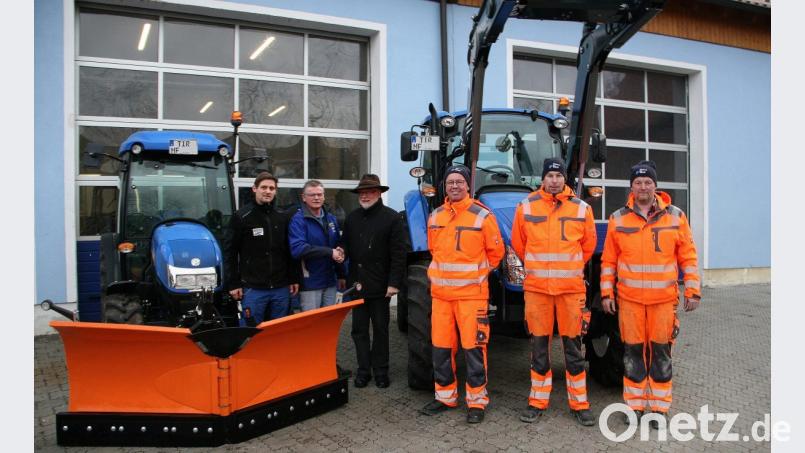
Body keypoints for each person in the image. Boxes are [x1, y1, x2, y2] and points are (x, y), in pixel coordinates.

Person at [600, 160, 701, 428]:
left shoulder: (676, 216)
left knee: (661, 354)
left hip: (663, 302)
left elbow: (688, 257)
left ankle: (659, 408)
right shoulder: (618, 218)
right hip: (630, 301)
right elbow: (609, 261)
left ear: (655, 186)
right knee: (632, 354)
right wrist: (607, 293)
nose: (643, 186)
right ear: (631, 187)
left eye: (647, 182)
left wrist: (693, 290)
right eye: (638, 182)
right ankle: (634, 406)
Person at [510, 158, 597, 426]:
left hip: (570, 291)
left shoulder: (582, 208)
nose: (554, 180)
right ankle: (537, 401)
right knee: (539, 348)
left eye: (559, 176)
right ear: (543, 179)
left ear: (565, 179)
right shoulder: (526, 206)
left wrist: (567, 268)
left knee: (573, 348)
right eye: (550, 175)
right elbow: (518, 243)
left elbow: (588, 245)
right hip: (537, 290)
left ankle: (579, 403)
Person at [419, 164, 505, 424]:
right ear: (445, 187)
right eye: (450, 182)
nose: (454, 186)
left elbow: (496, 253)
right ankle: (445, 396)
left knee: (474, 349)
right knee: (441, 348)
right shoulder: (435, 215)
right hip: (441, 296)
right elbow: (433, 250)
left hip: (471, 297)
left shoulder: (482, 215)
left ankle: (476, 402)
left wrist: (477, 275)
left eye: (459, 182)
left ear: (468, 185)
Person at [341, 174, 408, 389]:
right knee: (358, 331)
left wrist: (394, 283)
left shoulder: (392, 218)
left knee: (380, 330)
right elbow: (345, 246)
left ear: (379, 193)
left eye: (370, 192)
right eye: (362, 192)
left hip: (381, 286)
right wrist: (341, 253)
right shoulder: (352, 218)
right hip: (357, 285)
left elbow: (399, 254)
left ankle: (381, 371)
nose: (365, 196)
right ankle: (363, 371)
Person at [223, 172, 300, 326]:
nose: (267, 191)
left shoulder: (282, 216)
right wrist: (233, 283)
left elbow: (289, 251)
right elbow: (230, 253)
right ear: (254, 189)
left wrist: (293, 278)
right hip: (253, 289)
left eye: (272, 188)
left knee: (279, 331)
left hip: (280, 288)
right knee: (251, 331)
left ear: (275, 191)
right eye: (263, 187)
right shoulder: (242, 217)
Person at [289, 180, 346, 311]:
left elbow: (337, 245)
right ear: (304, 197)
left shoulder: (330, 218)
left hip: (330, 280)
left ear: (324, 196)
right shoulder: (298, 220)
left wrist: (341, 274)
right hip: (310, 282)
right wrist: (330, 252)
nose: (316, 197)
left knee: (329, 319)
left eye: (319, 194)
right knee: (312, 321)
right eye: (312, 194)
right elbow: (298, 249)